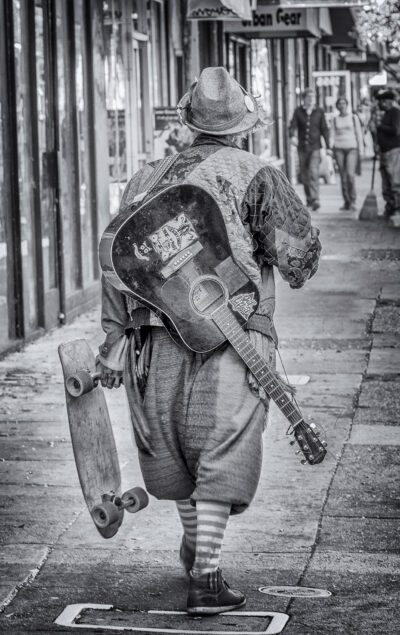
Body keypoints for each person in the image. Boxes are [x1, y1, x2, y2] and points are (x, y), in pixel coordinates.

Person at [96, 67, 322, 616]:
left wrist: (111, 337)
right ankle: (207, 576)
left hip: (154, 341)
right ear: (242, 127)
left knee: (176, 450)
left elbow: (114, 263)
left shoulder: (145, 180)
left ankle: (198, 550)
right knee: (225, 445)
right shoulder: (257, 175)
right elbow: (299, 259)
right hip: (233, 337)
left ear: (188, 122)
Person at [289, 87, 331, 211]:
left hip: (315, 147)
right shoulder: (298, 111)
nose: (311, 99)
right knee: (305, 175)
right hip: (302, 147)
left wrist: (328, 146)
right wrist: (292, 136)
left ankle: (315, 199)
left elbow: (324, 129)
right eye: (309, 97)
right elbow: (292, 125)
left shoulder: (319, 111)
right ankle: (309, 199)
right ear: (304, 99)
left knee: (313, 172)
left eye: (313, 97)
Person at [331, 96, 364, 212]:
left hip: (352, 148)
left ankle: (353, 200)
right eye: (339, 104)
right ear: (337, 106)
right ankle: (347, 201)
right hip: (339, 148)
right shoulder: (335, 119)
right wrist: (331, 148)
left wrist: (361, 149)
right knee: (343, 177)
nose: (342, 106)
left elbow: (359, 134)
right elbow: (332, 134)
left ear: (347, 105)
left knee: (350, 175)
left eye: (344, 103)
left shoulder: (353, 117)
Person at [375, 89, 400, 225]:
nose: (380, 104)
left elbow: (396, 130)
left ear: (388, 102)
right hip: (385, 151)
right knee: (386, 183)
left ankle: (397, 208)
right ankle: (390, 207)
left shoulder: (395, 112)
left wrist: (380, 126)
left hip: (393, 151)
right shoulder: (387, 113)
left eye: (382, 102)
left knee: (394, 181)